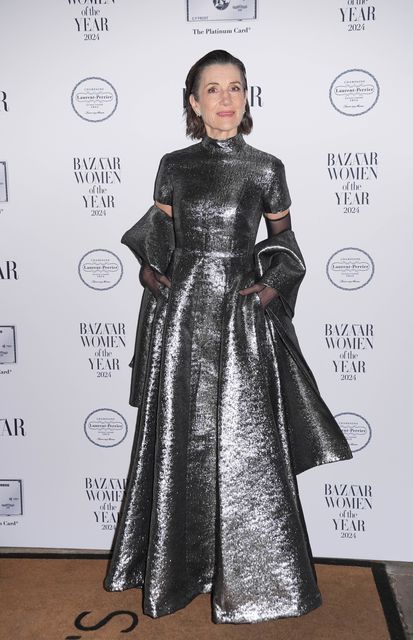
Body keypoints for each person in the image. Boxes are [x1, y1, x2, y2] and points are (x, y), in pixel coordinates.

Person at [104, 49, 353, 625]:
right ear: (194, 103)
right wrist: (148, 270)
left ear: (247, 98)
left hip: (241, 318)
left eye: (235, 87)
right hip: (183, 315)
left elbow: (286, 245)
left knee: (247, 444)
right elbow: (160, 234)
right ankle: (178, 570)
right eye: (212, 89)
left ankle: (258, 580)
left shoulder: (266, 167)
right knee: (180, 438)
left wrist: (270, 290)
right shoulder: (174, 164)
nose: (225, 98)